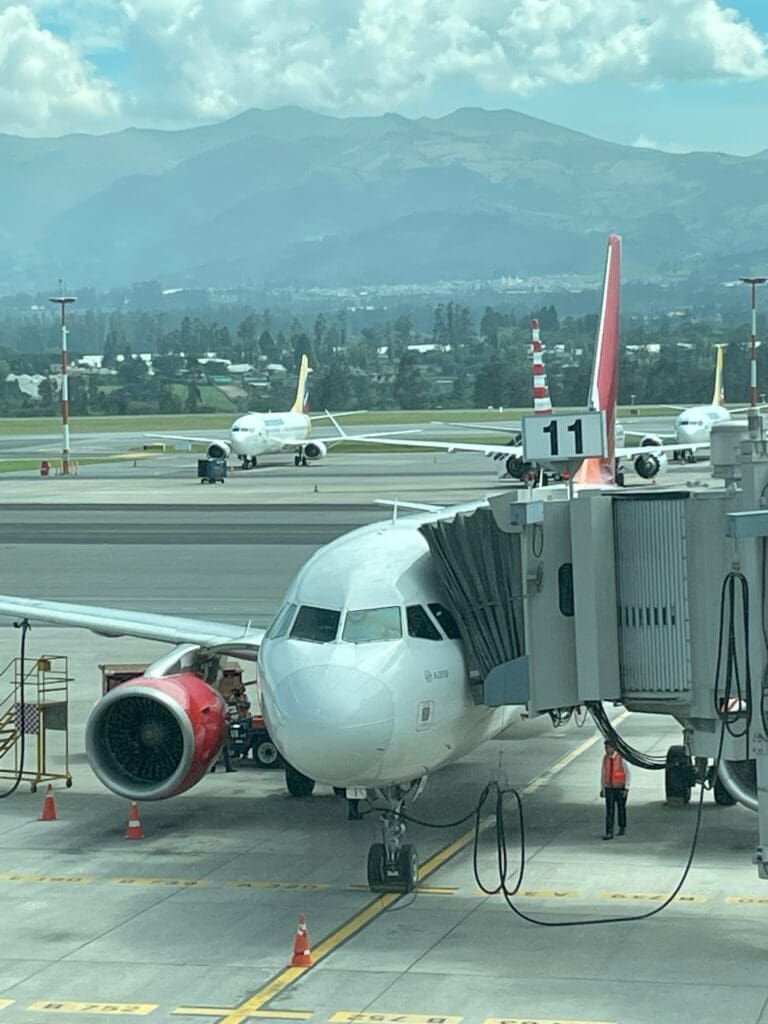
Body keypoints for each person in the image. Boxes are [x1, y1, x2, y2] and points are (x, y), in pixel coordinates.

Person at [600, 740, 630, 840]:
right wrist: (603, 787)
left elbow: (628, 773)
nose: (607, 750)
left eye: (608, 748)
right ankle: (609, 832)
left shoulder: (621, 758)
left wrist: (626, 788)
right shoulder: (605, 759)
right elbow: (603, 773)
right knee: (610, 811)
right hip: (609, 788)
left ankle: (622, 826)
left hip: (620, 787)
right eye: (605, 748)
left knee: (621, 808)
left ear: (613, 748)